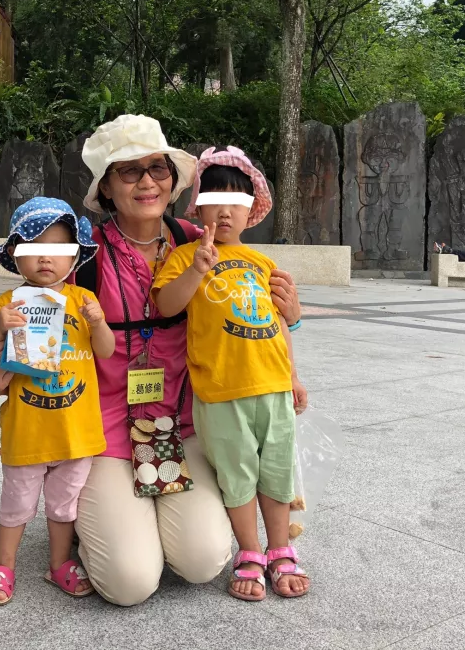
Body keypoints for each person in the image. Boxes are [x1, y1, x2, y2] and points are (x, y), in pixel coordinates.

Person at [61, 114, 305, 607]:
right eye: (129, 171)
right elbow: (49, 335)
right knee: (130, 582)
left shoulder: (201, 238)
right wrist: (22, 408)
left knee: (202, 560)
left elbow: (253, 314)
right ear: (105, 186)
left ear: (173, 180)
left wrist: (292, 316)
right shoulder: (84, 256)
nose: (147, 182)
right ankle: (98, 525)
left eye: (158, 168)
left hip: (186, 423)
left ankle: (154, 519)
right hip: (108, 430)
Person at [153, 146, 309, 602]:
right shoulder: (185, 257)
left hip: (273, 387)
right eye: (214, 200)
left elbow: (280, 323)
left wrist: (293, 375)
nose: (224, 211)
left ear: (250, 211)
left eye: (236, 202)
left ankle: (281, 550)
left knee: (276, 473)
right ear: (198, 209)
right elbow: (166, 305)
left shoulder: (263, 264)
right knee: (237, 475)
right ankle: (251, 551)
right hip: (221, 392)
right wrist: (195, 271)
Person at [0, 198, 115, 606]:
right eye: (34, 248)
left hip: (76, 431)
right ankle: (3, 565)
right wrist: (0, 329)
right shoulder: (8, 304)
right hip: (27, 429)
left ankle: (59, 563)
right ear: (15, 255)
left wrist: (98, 323)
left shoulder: (83, 300)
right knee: (15, 504)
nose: (45, 258)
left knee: (64, 507)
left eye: (58, 249)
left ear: (75, 256)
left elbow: (106, 351)